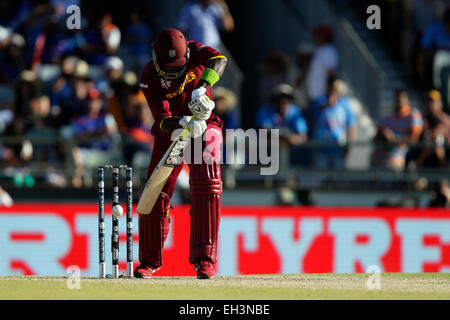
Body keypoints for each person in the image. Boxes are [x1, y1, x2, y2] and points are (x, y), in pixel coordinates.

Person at [136, 28, 228, 279]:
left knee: (207, 185)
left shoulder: (196, 50)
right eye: (169, 69)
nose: (175, 73)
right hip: (173, 130)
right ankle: (149, 261)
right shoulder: (148, 76)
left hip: (204, 123)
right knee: (155, 191)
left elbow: (219, 60)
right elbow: (163, 120)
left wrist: (203, 86)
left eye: (179, 66)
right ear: (155, 58)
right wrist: (183, 123)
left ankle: (205, 259)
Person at [372, 89, 424, 171]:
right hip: (377, 158)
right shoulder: (387, 117)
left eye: (402, 98)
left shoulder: (413, 115)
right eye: (397, 98)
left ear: (408, 100)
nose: (399, 100)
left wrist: (393, 139)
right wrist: (382, 136)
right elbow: (374, 139)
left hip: (395, 159)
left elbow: (414, 139)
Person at [313, 77, 356, 169]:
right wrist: (329, 103)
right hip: (321, 149)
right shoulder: (319, 101)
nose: (335, 91)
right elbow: (316, 114)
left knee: (338, 180)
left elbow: (351, 126)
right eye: (332, 88)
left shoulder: (345, 104)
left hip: (338, 149)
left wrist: (348, 147)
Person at [306, 25, 338, 103]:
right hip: (316, 95)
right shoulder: (321, 50)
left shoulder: (328, 51)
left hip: (323, 97)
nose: (315, 37)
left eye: (318, 35)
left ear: (325, 37)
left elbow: (331, 74)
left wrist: (331, 94)